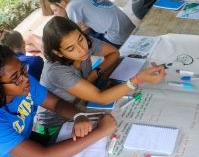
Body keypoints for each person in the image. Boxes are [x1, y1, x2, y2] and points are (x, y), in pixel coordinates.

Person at [0, 45, 117, 157]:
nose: (25, 78)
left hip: (23, 139)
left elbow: (55, 103)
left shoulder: (24, 82)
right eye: (15, 78)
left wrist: (78, 115)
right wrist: (101, 131)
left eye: (23, 69)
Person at [37, 16, 165, 135]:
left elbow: (114, 53)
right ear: (58, 53)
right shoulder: (56, 71)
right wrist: (138, 79)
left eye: (80, 39)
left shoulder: (85, 43)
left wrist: (94, 73)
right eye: (71, 49)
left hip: (81, 105)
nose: (82, 49)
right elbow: (102, 98)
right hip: (57, 126)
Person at [46, 0, 135, 49]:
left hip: (117, 39)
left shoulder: (71, 6)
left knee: (82, 42)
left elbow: (77, 33)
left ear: (62, 2)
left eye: (56, 8)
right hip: (131, 29)